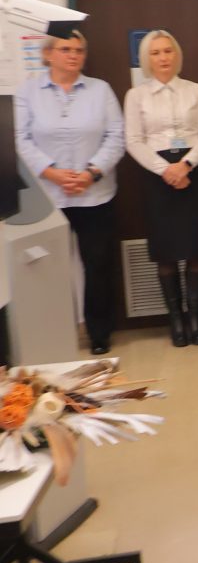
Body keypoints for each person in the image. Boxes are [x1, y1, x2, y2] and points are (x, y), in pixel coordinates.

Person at [14, 30, 124, 354]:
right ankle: (54, 334)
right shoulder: (28, 92)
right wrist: (52, 172)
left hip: (95, 194)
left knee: (98, 266)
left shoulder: (100, 90)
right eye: (65, 49)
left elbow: (116, 136)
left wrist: (91, 173)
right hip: (47, 197)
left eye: (79, 50)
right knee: (48, 268)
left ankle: (99, 334)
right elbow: (20, 139)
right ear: (48, 54)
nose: (74, 55)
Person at [123, 30, 198, 347]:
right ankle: (176, 321)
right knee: (165, 252)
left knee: (195, 249)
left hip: (193, 172)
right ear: (146, 59)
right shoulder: (136, 96)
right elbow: (133, 141)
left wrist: (186, 165)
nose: (163, 57)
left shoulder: (196, 91)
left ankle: (196, 320)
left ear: (176, 55)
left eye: (168, 51)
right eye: (156, 53)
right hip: (157, 177)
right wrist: (166, 170)